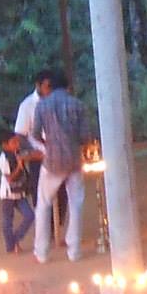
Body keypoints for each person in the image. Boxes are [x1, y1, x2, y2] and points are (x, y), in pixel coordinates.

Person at [30, 70, 92, 263]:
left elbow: (35, 133)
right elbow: (85, 137)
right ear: (68, 87)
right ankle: (74, 250)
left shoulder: (42, 106)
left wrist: (48, 144)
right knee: (76, 203)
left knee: (43, 204)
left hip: (52, 161)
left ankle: (41, 252)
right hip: (74, 160)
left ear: (51, 87)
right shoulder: (78, 104)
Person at [0, 127, 39, 255]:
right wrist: (19, 167)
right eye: (14, 142)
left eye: (17, 142)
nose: (17, 144)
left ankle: (14, 240)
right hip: (8, 194)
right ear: (5, 145)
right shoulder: (3, 159)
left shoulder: (17, 153)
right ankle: (11, 246)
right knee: (7, 221)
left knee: (30, 216)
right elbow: (9, 178)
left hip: (19, 192)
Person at [13, 69, 54, 142]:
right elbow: (20, 134)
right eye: (47, 86)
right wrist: (32, 151)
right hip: (39, 150)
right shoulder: (27, 105)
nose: (50, 90)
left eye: (52, 87)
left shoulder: (55, 102)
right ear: (38, 85)